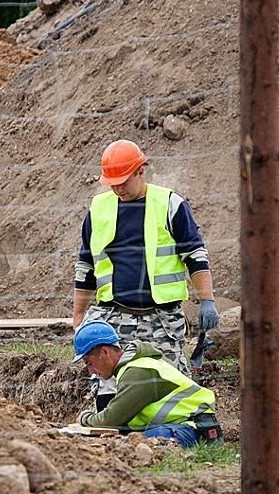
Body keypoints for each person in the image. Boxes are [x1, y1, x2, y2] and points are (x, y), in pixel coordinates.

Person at [73, 139, 219, 408]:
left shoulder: (170, 204)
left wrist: (207, 300)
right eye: (112, 183)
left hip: (160, 318)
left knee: (171, 384)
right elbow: (86, 266)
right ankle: (114, 444)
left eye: (124, 181)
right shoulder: (99, 209)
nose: (118, 188)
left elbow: (195, 255)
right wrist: (79, 315)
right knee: (110, 385)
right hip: (113, 315)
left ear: (142, 171)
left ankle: (173, 439)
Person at [72, 320, 223, 448]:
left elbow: (109, 421)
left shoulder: (137, 371)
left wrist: (85, 418)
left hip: (191, 429)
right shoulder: (133, 367)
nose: (90, 371)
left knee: (137, 445)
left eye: (89, 363)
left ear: (105, 352)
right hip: (185, 427)